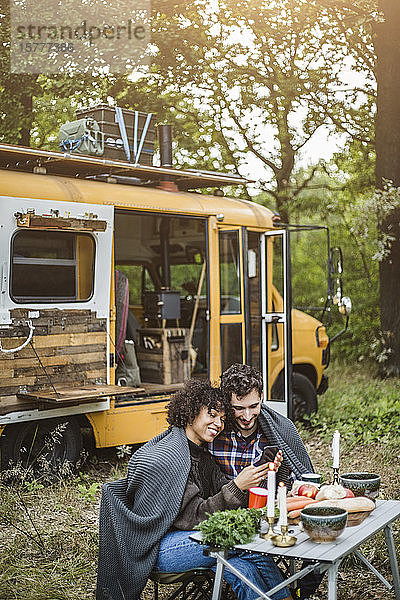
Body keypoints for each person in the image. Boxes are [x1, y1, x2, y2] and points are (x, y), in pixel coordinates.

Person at [96, 379, 292, 600]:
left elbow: (224, 493)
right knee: (245, 541)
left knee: (241, 567)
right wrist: (238, 486)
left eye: (222, 418)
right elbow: (194, 517)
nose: (218, 423)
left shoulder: (202, 456)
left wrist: (260, 469)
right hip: (157, 549)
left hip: (191, 540)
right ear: (190, 414)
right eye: (211, 415)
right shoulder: (170, 456)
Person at [208, 363, 322, 600]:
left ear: (262, 397)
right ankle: (289, 595)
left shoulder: (280, 429)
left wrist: (290, 488)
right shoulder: (213, 432)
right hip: (229, 518)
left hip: (271, 516)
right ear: (227, 404)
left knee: (321, 541)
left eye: (253, 406)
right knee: (249, 554)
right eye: (238, 408)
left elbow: (299, 478)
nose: (247, 416)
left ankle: (301, 589)